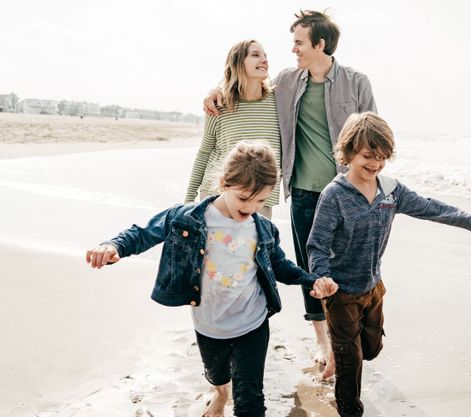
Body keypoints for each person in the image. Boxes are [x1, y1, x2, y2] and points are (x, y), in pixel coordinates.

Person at [85, 142, 338, 417]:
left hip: (253, 323)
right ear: (224, 184)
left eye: (261, 201)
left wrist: (310, 280)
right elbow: (143, 232)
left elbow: (280, 265)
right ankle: (219, 393)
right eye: (244, 198)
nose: (252, 207)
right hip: (210, 324)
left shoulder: (262, 228)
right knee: (217, 375)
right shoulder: (188, 218)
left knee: (251, 400)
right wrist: (114, 246)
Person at [203, 10, 377, 379]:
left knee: (350, 263)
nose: (292, 49)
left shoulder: (357, 82)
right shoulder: (286, 82)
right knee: (310, 265)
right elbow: (245, 88)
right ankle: (324, 339)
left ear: (320, 44)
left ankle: (356, 325)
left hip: (346, 192)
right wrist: (214, 92)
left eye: (299, 42)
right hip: (301, 190)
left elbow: (373, 135)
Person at [306, 113, 471, 417]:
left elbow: (431, 208)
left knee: (371, 350)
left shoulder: (391, 191)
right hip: (341, 292)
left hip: (373, 287)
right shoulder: (334, 196)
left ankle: (343, 349)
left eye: (381, 157)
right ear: (348, 153)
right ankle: (349, 402)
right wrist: (322, 278)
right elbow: (317, 244)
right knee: (352, 365)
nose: (374, 163)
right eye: (367, 156)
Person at [186, 39, 281, 219]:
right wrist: (188, 201)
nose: (264, 60)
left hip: (261, 199)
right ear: (237, 63)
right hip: (217, 197)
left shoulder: (278, 101)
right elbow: (205, 152)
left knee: (257, 247)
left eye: (265, 56)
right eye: (255, 55)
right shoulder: (219, 104)